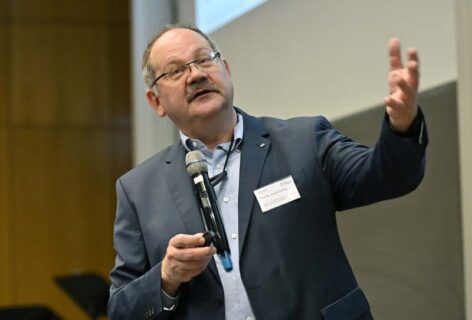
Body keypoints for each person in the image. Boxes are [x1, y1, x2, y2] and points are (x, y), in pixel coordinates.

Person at [108, 23, 427, 320]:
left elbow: (387, 177)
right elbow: (121, 308)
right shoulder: (138, 190)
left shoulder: (303, 141)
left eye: (204, 60)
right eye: (177, 70)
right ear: (156, 101)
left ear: (226, 70)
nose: (195, 75)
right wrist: (167, 277)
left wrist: (402, 126)